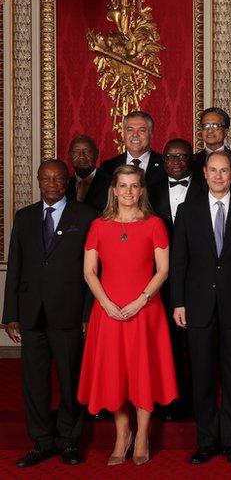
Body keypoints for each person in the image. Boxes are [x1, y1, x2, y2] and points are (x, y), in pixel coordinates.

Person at [77, 165, 178, 466]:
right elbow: (89, 271)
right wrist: (106, 304)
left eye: (134, 186)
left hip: (144, 311)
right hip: (107, 311)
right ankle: (122, 435)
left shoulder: (155, 224)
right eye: (123, 186)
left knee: (142, 373)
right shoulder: (99, 225)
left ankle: (143, 434)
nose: (128, 192)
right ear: (114, 190)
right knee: (115, 374)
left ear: (142, 190)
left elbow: (164, 269)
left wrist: (141, 300)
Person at [170, 150, 231, 464]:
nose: (219, 176)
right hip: (198, 305)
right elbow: (179, 260)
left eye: (224, 171)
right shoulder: (187, 210)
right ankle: (207, 441)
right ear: (205, 174)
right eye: (213, 170)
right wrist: (179, 302)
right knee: (202, 376)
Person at [3, 160, 97, 467]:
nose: (52, 183)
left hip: (69, 312)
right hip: (31, 314)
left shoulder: (84, 216)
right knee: (34, 382)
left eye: (58, 178)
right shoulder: (25, 216)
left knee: (70, 380)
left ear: (67, 180)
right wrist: (10, 313)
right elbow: (15, 266)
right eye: (46, 178)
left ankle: (69, 440)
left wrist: (87, 313)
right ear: (39, 181)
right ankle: (41, 441)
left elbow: (94, 271)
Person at [148, 138, 204, 421]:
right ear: (163, 160)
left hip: (198, 279)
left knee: (195, 344)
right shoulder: (150, 191)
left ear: (192, 160)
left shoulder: (208, 188)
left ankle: (196, 401)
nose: (176, 161)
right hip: (158, 280)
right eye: (170, 156)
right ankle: (167, 400)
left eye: (182, 156)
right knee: (164, 344)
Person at [93, 111, 165, 210]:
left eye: (142, 130)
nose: (135, 135)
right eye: (130, 130)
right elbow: (102, 204)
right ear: (123, 134)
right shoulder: (108, 167)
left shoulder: (165, 165)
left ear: (151, 134)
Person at [191, 107, 231, 196]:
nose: (210, 130)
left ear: (226, 132)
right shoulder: (192, 161)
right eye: (205, 126)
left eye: (215, 126)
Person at [66, 135, 101, 206]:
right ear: (70, 155)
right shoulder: (64, 185)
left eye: (87, 151)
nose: (81, 156)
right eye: (76, 151)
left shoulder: (111, 184)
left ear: (97, 153)